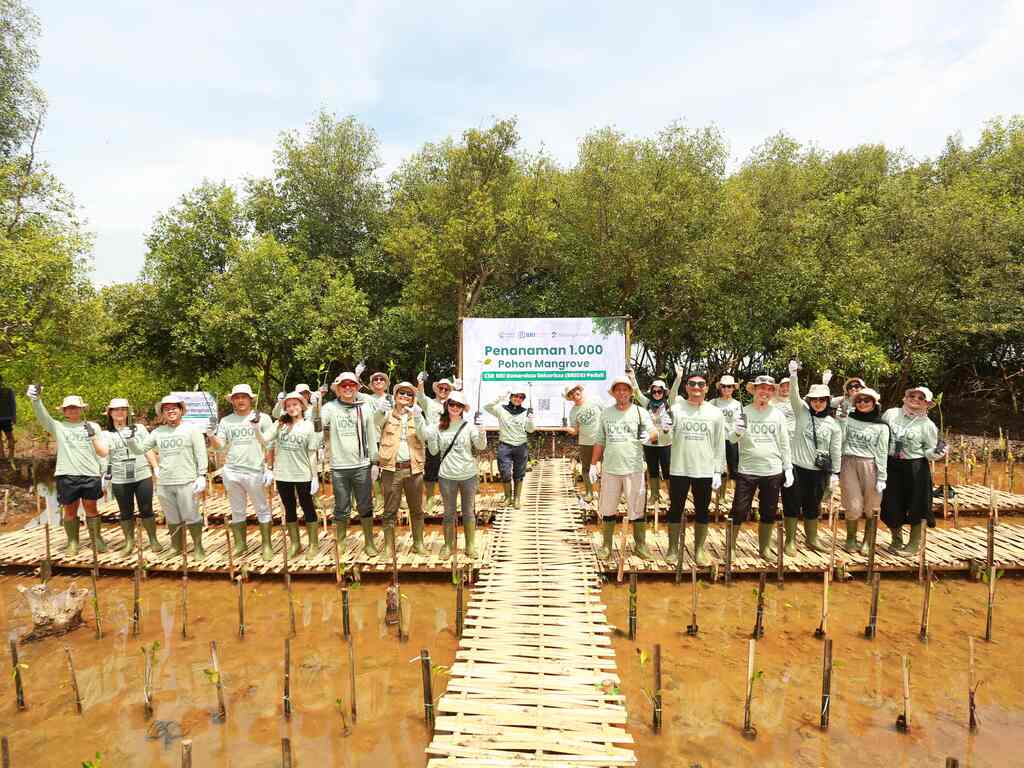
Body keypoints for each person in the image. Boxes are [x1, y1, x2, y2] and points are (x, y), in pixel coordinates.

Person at [27, 386, 109, 555]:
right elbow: (43, 418)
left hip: (90, 474)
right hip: (67, 474)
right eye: (69, 408)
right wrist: (36, 400)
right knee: (70, 510)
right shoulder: (58, 426)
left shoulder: (93, 426)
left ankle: (97, 539)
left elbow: (101, 451)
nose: (72, 410)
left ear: (81, 409)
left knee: (91, 508)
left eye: (75, 407)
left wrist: (105, 473)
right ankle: (72, 542)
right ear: (64, 411)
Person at [128, 395, 208, 557]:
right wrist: (130, 440)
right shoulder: (157, 432)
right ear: (162, 413)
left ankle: (198, 547)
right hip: (164, 482)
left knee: (192, 515)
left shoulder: (192, 430)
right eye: (166, 409)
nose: (170, 411)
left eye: (174, 408)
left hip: (187, 480)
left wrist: (202, 475)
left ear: (180, 410)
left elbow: (201, 454)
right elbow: (139, 450)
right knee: (172, 517)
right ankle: (176, 547)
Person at [592, 376, 658, 560]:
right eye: (618, 389)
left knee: (637, 508)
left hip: (634, 468)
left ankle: (640, 545)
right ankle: (606, 546)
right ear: (613, 393)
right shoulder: (606, 413)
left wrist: (648, 436)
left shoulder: (639, 412)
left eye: (625, 389)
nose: (622, 393)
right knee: (608, 508)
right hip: (610, 469)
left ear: (631, 392)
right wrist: (592, 464)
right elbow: (599, 440)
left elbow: (654, 431)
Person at [663, 373, 726, 565]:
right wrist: (664, 430)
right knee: (675, 509)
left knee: (702, 511)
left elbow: (719, 443)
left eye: (701, 384)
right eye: (692, 384)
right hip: (679, 468)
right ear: (686, 387)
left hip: (704, 470)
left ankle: (699, 550)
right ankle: (673, 549)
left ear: (707, 388)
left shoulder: (715, 413)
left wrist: (718, 470)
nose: (696, 387)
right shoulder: (675, 409)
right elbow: (666, 441)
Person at [207, 384, 276, 560]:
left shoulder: (263, 418)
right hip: (232, 471)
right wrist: (211, 436)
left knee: (262, 508)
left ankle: (267, 545)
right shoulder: (226, 421)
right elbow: (220, 448)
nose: (240, 400)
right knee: (237, 510)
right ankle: (240, 544)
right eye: (236, 398)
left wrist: (269, 468)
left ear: (250, 399)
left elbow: (269, 444)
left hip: (255, 470)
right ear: (232, 401)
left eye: (243, 397)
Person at [729, 376, 793, 559]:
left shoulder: (778, 415)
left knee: (769, 511)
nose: (765, 392)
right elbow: (731, 439)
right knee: (739, 510)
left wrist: (787, 468)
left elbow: (784, 443)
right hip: (747, 470)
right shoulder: (743, 412)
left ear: (773, 392)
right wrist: (738, 431)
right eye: (761, 388)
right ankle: (731, 547)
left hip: (772, 470)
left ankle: (764, 548)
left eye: (769, 389)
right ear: (754, 390)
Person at [881, 386, 948, 554]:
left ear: (927, 403)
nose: (915, 399)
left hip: (915, 467)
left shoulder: (928, 425)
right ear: (905, 397)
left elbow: (929, 452)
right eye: (912, 395)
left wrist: (937, 452)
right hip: (891, 465)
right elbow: (880, 435)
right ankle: (896, 540)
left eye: (920, 398)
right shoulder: (891, 414)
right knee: (890, 504)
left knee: (918, 505)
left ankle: (913, 544)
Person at [785, 360, 843, 554]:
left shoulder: (833, 424)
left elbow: (835, 450)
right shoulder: (801, 412)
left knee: (813, 506)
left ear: (827, 401)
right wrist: (793, 375)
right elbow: (794, 395)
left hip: (819, 472)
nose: (818, 403)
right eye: (814, 400)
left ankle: (812, 539)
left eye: (822, 400)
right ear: (809, 401)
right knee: (792, 505)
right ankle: (790, 541)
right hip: (797, 468)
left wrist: (835, 474)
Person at [323, 372, 380, 556]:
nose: (348, 388)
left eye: (352, 385)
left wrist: (375, 462)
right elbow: (317, 425)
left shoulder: (364, 408)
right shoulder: (329, 408)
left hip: (361, 465)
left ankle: (369, 542)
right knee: (341, 505)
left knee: (365, 505)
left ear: (356, 388)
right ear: (338, 388)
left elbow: (372, 436)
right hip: (339, 466)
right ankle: (341, 542)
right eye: (344, 385)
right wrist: (315, 406)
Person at [425, 390, 487, 558]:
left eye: (458, 405)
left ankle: (470, 546)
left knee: (468, 511)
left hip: (468, 475)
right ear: (447, 405)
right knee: (448, 513)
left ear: (463, 408)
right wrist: (430, 437)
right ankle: (447, 545)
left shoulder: (469, 426)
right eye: (451, 404)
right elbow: (433, 450)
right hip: (447, 476)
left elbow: (481, 446)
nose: (454, 407)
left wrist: (482, 431)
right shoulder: (439, 426)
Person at [267, 391, 324, 559]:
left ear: (301, 406)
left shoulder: (309, 426)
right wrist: (255, 428)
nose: (292, 408)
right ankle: (295, 543)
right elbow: (265, 440)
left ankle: (313, 544)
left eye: (295, 405)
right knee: (289, 508)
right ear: (284, 408)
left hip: (303, 474)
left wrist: (314, 476)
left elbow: (312, 453)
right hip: (283, 474)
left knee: (308, 507)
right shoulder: (280, 424)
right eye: (289, 405)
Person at [102, 398, 162, 553]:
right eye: (116, 409)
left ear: (128, 412)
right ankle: (129, 542)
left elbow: (147, 449)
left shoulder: (139, 428)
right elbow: (105, 456)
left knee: (147, 508)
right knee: (125, 511)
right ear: (110, 413)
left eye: (123, 409)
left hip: (141, 474)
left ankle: (153, 540)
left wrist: (155, 467)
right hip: (120, 477)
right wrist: (104, 475)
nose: (119, 412)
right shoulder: (106, 434)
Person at [378, 381, 429, 557]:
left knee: (417, 510)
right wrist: (379, 410)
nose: (405, 396)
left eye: (409, 394)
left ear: (413, 398)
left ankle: (418, 544)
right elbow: (374, 423)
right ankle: (388, 547)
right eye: (402, 393)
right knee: (390, 510)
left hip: (414, 470)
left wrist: (419, 417)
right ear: (395, 395)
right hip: (391, 470)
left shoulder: (417, 415)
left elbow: (424, 436)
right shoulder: (386, 414)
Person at [838, 386, 889, 552]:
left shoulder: (882, 426)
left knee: (872, 505)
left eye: (867, 400)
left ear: (874, 403)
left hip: (871, 464)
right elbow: (840, 439)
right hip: (848, 463)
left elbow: (882, 452)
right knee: (852, 505)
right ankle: (851, 539)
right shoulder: (848, 418)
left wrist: (882, 476)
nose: (862, 403)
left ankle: (868, 540)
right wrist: (842, 420)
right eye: (859, 400)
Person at [629, 367, 681, 506]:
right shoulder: (647, 404)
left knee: (667, 470)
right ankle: (655, 495)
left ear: (664, 392)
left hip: (665, 443)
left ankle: (671, 496)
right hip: (649, 443)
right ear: (651, 392)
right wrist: (632, 377)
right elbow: (637, 393)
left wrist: (678, 377)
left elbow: (675, 391)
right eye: (654, 391)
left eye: (660, 391)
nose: (657, 393)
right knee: (652, 470)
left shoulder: (669, 403)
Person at [485, 388, 535, 508]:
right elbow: (487, 407)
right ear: (511, 396)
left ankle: (516, 499)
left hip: (521, 446)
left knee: (519, 473)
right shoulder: (501, 409)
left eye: (521, 397)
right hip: (505, 446)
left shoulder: (525, 412)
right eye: (515, 396)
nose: (518, 399)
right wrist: (499, 398)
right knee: (505, 472)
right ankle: (508, 497)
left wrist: (530, 420)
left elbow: (530, 430)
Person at [416, 375, 453, 514]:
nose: (443, 390)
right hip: (432, 441)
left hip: (449, 442)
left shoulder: (453, 404)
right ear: (436, 389)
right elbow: (420, 396)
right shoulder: (429, 403)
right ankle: (430, 498)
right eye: (441, 388)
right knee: (431, 472)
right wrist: (420, 383)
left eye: (446, 389)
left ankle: (449, 500)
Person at [564, 384, 603, 502]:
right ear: (570, 397)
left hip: (602, 441)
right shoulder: (573, 412)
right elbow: (575, 431)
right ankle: (589, 493)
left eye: (575, 391)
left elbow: (607, 415)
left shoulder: (595, 400)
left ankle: (605, 493)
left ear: (580, 390)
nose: (574, 394)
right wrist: (566, 429)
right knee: (586, 468)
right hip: (585, 442)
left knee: (606, 468)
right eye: (571, 394)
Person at [710, 375, 742, 478]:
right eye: (723, 386)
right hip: (717, 439)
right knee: (719, 467)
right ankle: (720, 493)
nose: (726, 389)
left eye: (729, 386)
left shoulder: (737, 404)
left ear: (733, 388)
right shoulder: (713, 403)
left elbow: (741, 422)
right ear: (720, 387)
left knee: (734, 468)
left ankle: (732, 492)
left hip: (732, 439)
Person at [0, 374, 15, 462]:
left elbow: (12, 404)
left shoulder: (9, 391)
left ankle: (2, 456)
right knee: (10, 437)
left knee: (6, 438)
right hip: (6, 418)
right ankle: (10, 456)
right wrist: (14, 417)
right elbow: (13, 405)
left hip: (6, 418)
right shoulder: (9, 391)